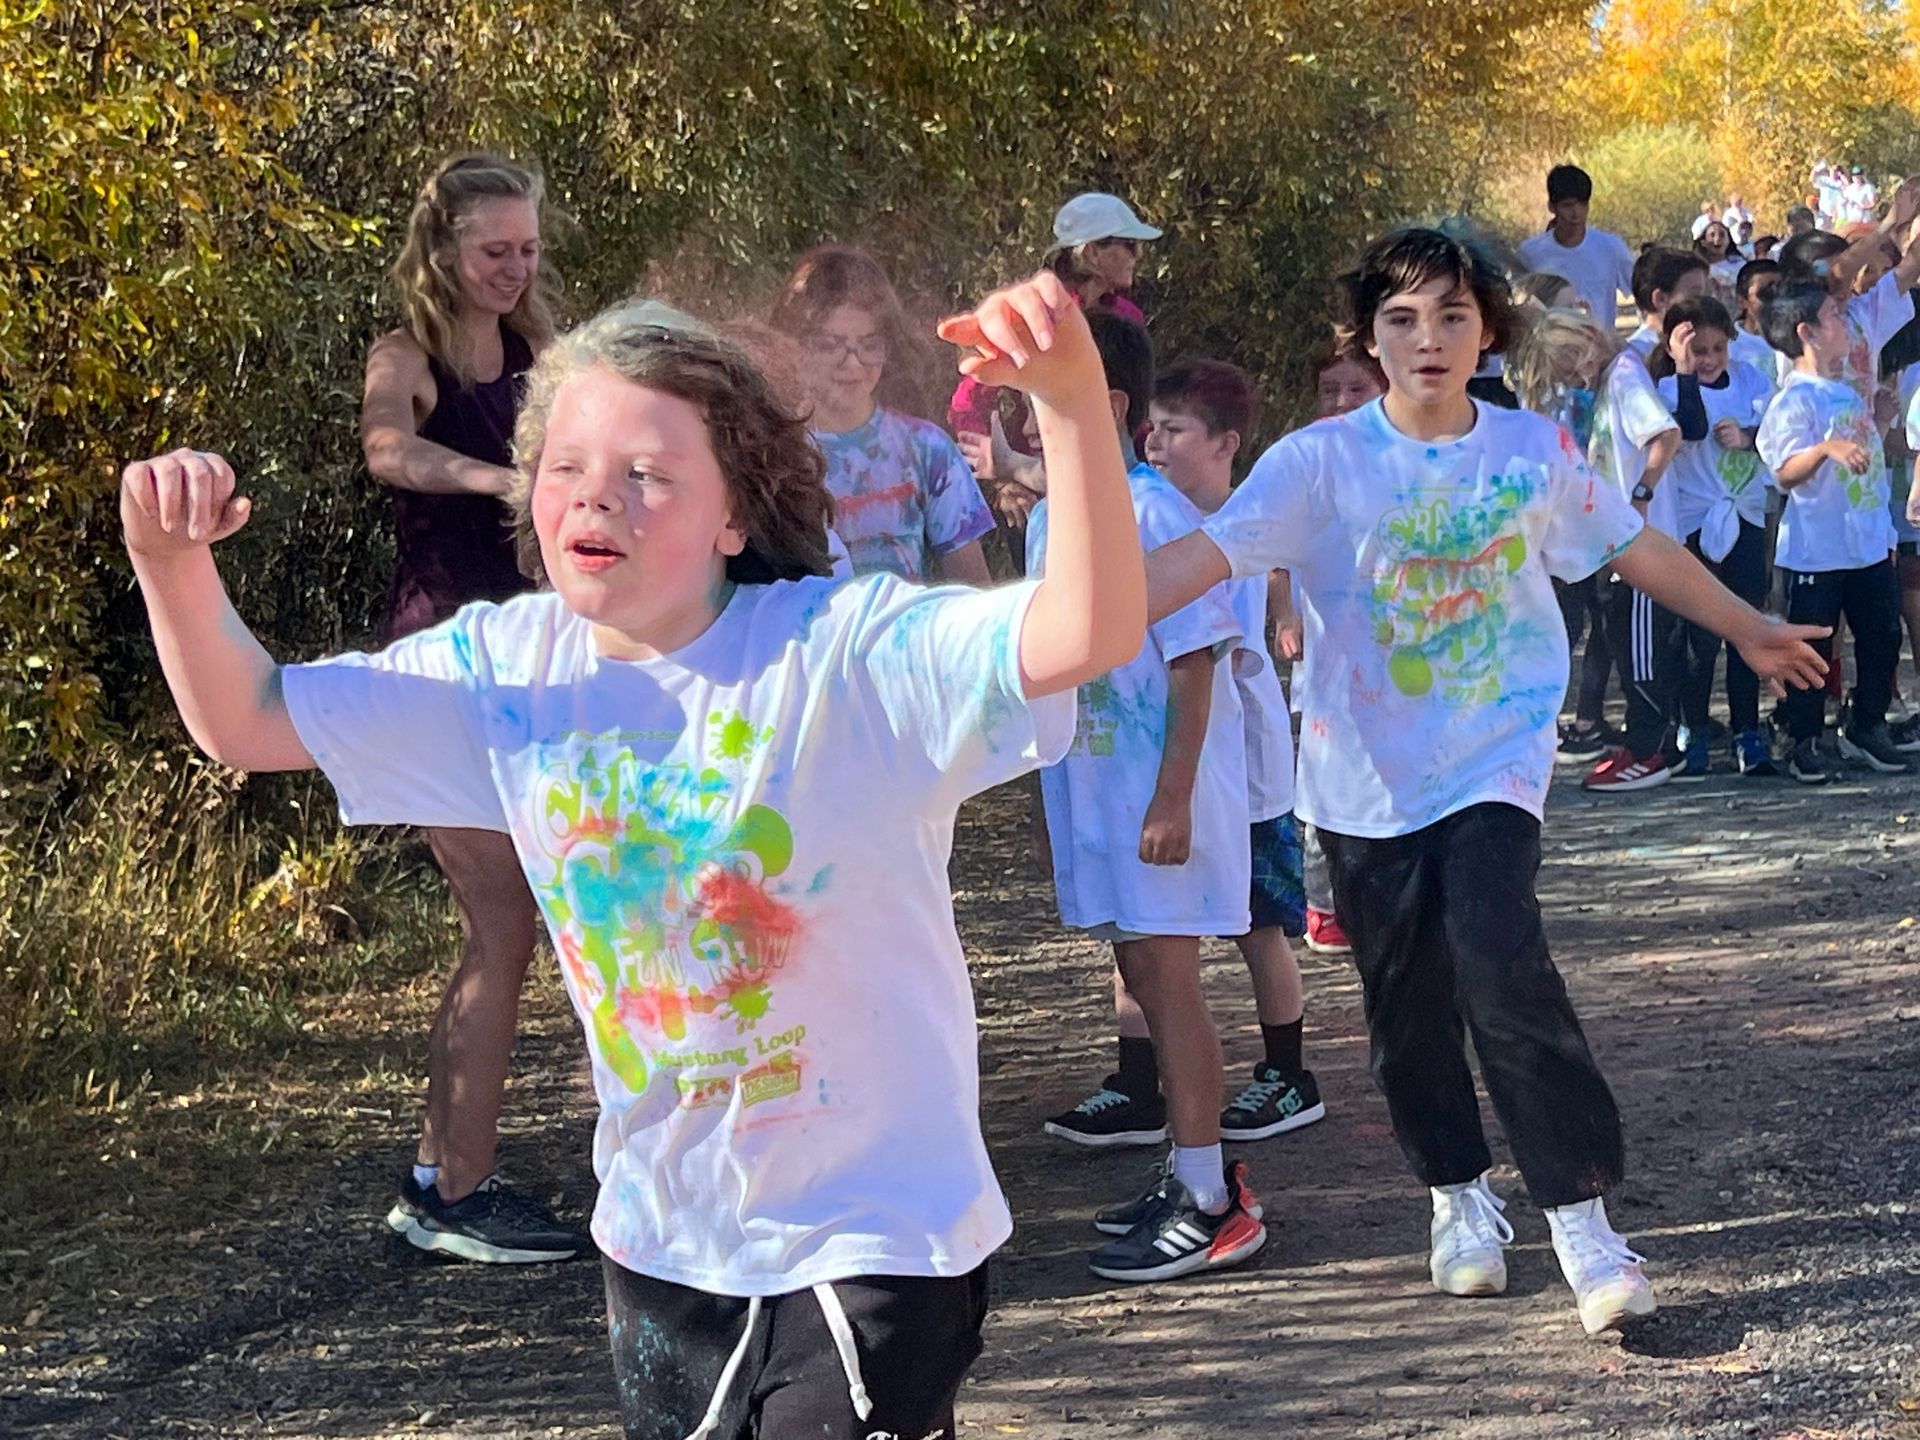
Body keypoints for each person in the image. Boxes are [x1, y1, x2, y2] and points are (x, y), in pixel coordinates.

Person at [121, 271, 1147, 1439]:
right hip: (663, 1243)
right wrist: (171, 560)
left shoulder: (848, 653)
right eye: (566, 468)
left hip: (879, 1239)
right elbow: (247, 719)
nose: (593, 497)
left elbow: (1086, 628)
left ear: (733, 514)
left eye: (646, 474)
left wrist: (1070, 401)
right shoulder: (506, 673)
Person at [1139, 225, 1828, 1338]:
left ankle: (1580, 1220)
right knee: (1405, 1009)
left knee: (1503, 967)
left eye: (1452, 316)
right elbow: (1202, 561)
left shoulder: (1529, 453)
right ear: (1369, 336)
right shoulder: (1318, 464)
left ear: (1485, 334)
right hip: (1361, 780)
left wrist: (1747, 627)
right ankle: (1460, 1201)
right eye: (1402, 319)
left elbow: (1632, 547)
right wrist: (1048, 627)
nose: (1427, 339)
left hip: (1493, 763)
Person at [357, 153, 580, 1264]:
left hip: (530, 663)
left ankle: (440, 1177)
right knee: (505, 927)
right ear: (444, 248)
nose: (515, 267)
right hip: (440, 669)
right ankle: (457, 1190)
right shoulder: (406, 353)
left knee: (520, 924)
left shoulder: (541, 349)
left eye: (528, 249)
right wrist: (499, 482)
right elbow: (388, 449)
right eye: (496, 250)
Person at [1028, 313, 1267, 1282]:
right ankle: (1185, 1167)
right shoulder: (1054, 516)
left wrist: (1170, 800)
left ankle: (1214, 1197)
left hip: (1159, 797)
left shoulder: (1156, 511)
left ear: (1107, 406)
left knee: (1170, 988)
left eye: (1046, 400)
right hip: (1093, 792)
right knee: (1139, 974)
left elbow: (1197, 657)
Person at [953, 191, 1162, 573]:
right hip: (1039, 490)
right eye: (1128, 245)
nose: (1137, 255)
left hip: (1119, 481)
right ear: (1092, 253)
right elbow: (968, 401)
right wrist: (1002, 479)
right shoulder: (1034, 316)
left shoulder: (1127, 315)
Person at [1758, 282, 1913, 781]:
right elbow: (1783, 471)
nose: (1846, 325)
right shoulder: (1794, 400)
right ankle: (1801, 736)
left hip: (1866, 542)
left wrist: (1883, 422)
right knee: (1813, 649)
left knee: (1881, 638)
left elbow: (1863, 457)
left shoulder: (1846, 391)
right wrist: (1823, 450)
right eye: (1834, 316)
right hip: (1817, 552)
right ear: (1807, 333)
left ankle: (1865, 723)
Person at [770, 245, 994, 584]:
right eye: (830, 344)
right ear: (796, 346)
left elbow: (974, 591)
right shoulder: (770, 454)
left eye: (870, 344)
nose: (853, 363)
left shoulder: (928, 449)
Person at [1581, 247, 1708, 794]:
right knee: (1629, 636)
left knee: (1643, 643)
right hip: (1623, 535)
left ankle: (1648, 749)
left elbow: (1670, 433)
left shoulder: (1631, 370)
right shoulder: (1630, 362)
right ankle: (1647, 742)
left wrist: (1638, 498)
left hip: (1643, 537)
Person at [1650, 296, 1778, 777]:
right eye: (1696, 350)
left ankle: (1748, 728)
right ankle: (1694, 726)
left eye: (1715, 349)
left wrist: (1748, 435)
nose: (1708, 359)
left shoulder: (1749, 380)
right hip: (1696, 521)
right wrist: (1684, 373)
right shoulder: (1668, 388)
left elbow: (1777, 427)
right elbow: (1691, 428)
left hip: (1744, 518)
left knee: (1746, 624)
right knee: (1698, 634)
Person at [1504, 306, 1623, 759]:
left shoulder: (1607, 380)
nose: (1582, 373)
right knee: (1562, 625)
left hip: (1593, 521)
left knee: (1602, 622)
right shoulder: (1544, 407)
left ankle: (1586, 716)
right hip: (1554, 531)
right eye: (1573, 366)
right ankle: (1540, 720)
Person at [1299, 342, 1386, 957]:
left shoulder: (1406, 459)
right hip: (1327, 654)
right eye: (1331, 388)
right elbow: (1272, 554)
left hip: (1398, 654)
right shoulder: (1303, 463)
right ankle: (1325, 903)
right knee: (1324, 769)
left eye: (1356, 388)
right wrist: (1284, 618)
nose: (1341, 400)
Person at [1516, 164, 1636, 329]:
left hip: (1600, 347)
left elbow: (1642, 289)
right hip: (1551, 347)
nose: (1576, 213)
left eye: (1582, 204)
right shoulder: (1531, 253)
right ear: (1552, 207)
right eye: (1568, 205)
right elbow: (1520, 305)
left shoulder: (1611, 248)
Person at [1695, 221, 1744, 302]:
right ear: (1703, 242)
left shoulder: (1740, 266)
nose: (1717, 239)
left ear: (1729, 240)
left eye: (1722, 235)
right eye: (1712, 235)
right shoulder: (1697, 269)